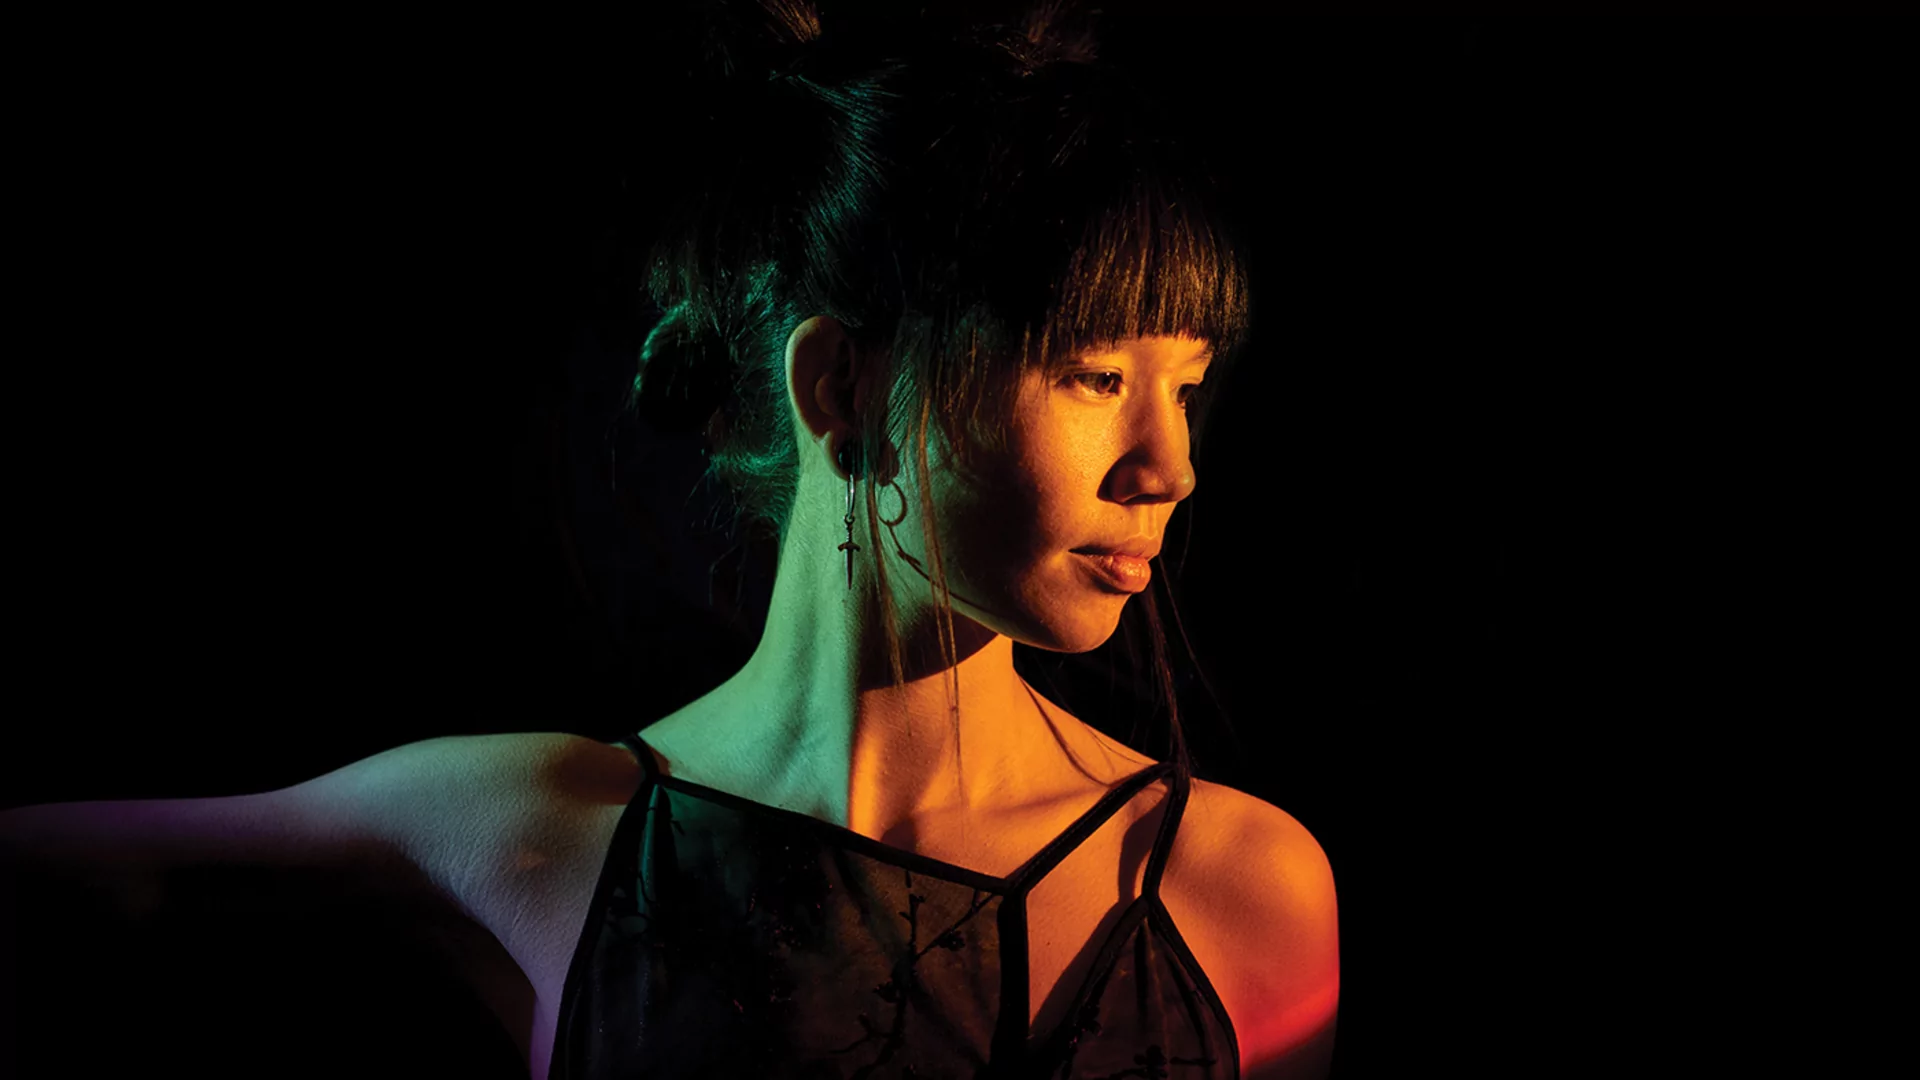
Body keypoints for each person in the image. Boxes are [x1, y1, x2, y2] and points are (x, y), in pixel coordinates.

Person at [1, 2, 1337, 1077]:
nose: (1172, 466)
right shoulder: (538, 834)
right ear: (844, 388)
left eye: (1190, 385)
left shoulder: (1238, 889)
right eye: (1099, 376)